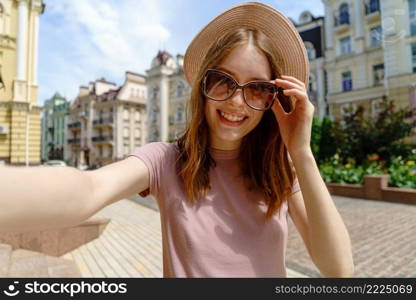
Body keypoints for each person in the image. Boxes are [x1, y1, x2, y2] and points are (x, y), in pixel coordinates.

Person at [0, 2, 354, 278]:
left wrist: (301, 152)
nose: (234, 100)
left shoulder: (280, 169)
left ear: (271, 100)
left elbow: (338, 269)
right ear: (202, 87)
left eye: (257, 88)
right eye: (222, 80)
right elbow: (86, 190)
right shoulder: (167, 161)